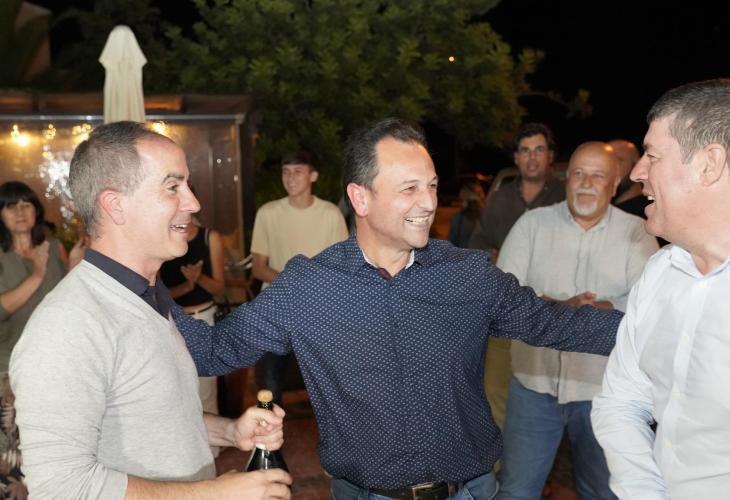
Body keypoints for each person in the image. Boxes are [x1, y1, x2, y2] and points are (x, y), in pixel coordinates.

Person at [174, 118, 624, 499]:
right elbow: (213, 350)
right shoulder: (308, 288)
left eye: (431, 186)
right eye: (409, 189)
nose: (428, 203)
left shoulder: (466, 274)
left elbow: (554, 323)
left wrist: (654, 330)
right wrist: (144, 281)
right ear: (360, 198)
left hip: (470, 490)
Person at [10, 121, 291, 499]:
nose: (193, 203)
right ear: (116, 205)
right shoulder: (68, 325)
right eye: (173, 187)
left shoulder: (147, 296)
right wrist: (213, 493)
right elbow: (62, 487)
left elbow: (145, 415)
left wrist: (228, 431)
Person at [591, 79, 730, 498]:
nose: (636, 173)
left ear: (709, 164)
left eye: (652, 155)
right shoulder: (660, 272)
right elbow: (621, 402)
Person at [496, 142, 658, 500]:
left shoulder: (638, 232)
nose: (586, 183)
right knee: (516, 491)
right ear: (566, 178)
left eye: (598, 176)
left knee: (603, 491)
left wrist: (600, 306)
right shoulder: (533, 224)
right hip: (533, 386)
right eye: (579, 174)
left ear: (614, 184)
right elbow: (502, 297)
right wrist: (561, 308)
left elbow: (649, 305)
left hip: (605, 392)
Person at [468, 122, 565, 432]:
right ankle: (500, 458)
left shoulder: (564, 198)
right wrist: (491, 254)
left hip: (545, 312)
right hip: (503, 310)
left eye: (539, 150)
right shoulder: (501, 198)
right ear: (516, 158)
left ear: (550, 155)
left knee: (539, 398)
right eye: (525, 151)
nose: (532, 158)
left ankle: (534, 452)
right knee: (495, 390)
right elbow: (478, 242)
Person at [0, 181, 85, 494]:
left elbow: (65, 302)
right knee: (11, 463)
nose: (20, 212)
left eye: (26, 204)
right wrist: (36, 274)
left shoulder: (51, 246)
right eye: (11, 206)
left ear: (37, 211)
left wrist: (73, 268)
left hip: (52, 366)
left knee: (52, 454)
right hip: (7, 371)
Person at [251, 150, 348, 405]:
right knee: (268, 387)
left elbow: (341, 270)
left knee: (327, 389)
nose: (290, 178)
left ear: (313, 176)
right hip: (275, 313)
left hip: (318, 314)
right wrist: (296, 285)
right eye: (285, 172)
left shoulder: (330, 215)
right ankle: (268, 432)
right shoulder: (268, 213)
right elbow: (259, 268)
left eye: (297, 171)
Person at [160, 208, 226, 422]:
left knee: (206, 393)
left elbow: (220, 290)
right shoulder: (160, 237)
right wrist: (187, 286)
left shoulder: (209, 237)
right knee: (175, 393)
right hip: (171, 321)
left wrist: (198, 279)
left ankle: (212, 442)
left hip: (204, 318)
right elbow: (156, 294)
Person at [447, 181, 485, 247]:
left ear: (465, 201)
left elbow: (452, 244)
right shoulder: (487, 218)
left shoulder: (458, 219)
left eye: (461, 200)